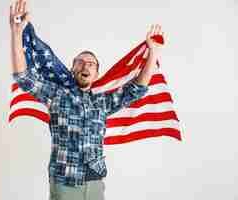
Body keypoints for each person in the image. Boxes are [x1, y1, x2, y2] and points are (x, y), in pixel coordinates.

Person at [9, 0, 164, 199]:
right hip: (65, 182)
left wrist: (154, 52)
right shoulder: (56, 94)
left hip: (95, 182)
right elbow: (23, 77)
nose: (86, 66)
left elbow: (137, 88)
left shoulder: (102, 103)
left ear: (96, 73)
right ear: (72, 69)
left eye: (91, 63)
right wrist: (16, 33)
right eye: (80, 62)